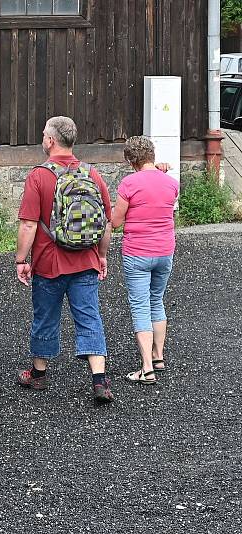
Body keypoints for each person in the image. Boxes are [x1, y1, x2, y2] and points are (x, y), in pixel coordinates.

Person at [14, 116, 115, 403]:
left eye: (45, 134)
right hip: (86, 260)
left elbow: (28, 224)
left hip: (49, 263)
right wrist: (103, 256)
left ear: (51, 141)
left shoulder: (39, 176)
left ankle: (38, 374)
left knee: (45, 316)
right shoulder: (92, 173)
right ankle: (99, 380)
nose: (43, 138)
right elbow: (106, 222)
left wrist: (22, 259)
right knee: (89, 316)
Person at [111, 136, 179, 384]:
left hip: (138, 252)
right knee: (156, 300)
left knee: (140, 305)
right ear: (152, 154)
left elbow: (116, 222)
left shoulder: (128, 184)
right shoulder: (171, 183)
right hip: (165, 250)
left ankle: (146, 368)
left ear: (131, 160)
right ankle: (158, 357)